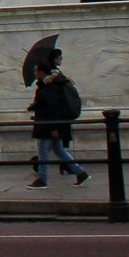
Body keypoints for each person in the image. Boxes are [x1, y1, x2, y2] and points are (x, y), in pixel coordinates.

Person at [26, 48, 89, 188]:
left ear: (42, 72)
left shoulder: (49, 86)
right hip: (52, 123)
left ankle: (42, 179)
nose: (35, 74)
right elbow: (46, 104)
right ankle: (81, 173)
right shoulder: (49, 84)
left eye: (36, 71)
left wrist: (53, 127)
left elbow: (52, 107)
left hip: (48, 125)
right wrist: (35, 107)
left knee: (43, 151)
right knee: (59, 150)